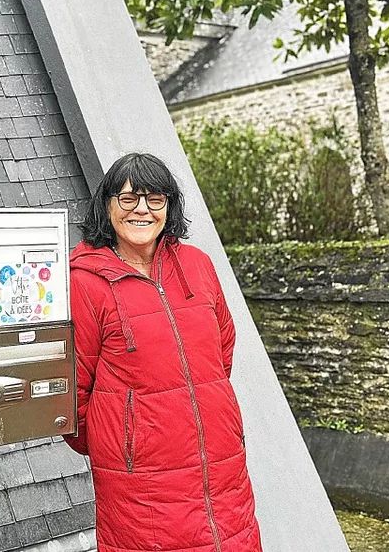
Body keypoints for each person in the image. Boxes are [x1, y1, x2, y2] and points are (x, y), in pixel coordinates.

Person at [64, 152, 262, 552]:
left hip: (221, 464)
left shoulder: (198, 265)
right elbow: (72, 391)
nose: (142, 209)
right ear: (107, 205)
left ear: (168, 207)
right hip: (143, 484)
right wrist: (123, 441)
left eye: (155, 199)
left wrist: (204, 409)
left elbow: (222, 351)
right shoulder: (83, 283)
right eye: (128, 198)